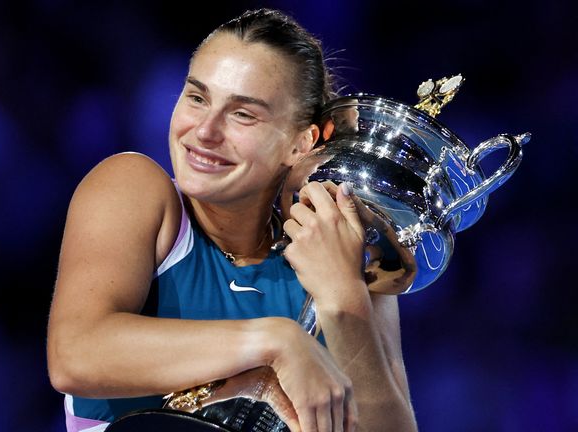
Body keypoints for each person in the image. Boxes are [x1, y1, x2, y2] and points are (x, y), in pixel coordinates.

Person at [47, 8, 417, 432]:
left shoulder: (340, 245)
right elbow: (74, 352)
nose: (205, 130)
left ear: (301, 144)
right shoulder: (134, 190)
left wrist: (345, 300)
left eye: (243, 114)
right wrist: (276, 345)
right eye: (197, 97)